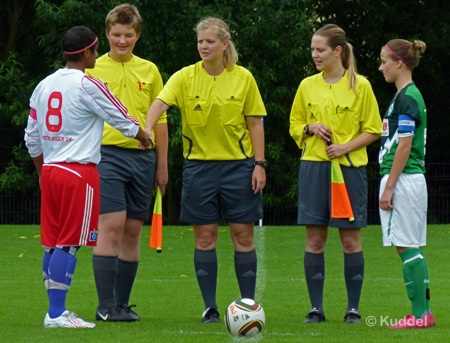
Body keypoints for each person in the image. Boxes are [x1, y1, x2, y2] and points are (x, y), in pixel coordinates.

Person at [24, 26, 151, 328]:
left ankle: (55, 309)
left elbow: (31, 137)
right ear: (86, 53)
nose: (97, 54)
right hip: (78, 171)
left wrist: (44, 171)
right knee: (69, 243)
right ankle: (56, 313)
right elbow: (119, 114)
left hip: (52, 169)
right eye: (95, 49)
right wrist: (141, 135)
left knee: (53, 243)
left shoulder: (43, 85)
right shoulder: (87, 84)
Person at [141, 17, 266, 323]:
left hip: (240, 168)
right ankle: (210, 307)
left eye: (209, 41)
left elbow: (254, 123)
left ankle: (247, 305)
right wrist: (145, 127)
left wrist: (259, 165)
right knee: (205, 238)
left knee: (243, 237)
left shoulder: (244, 77)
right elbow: (158, 104)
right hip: (199, 169)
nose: (203, 46)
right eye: (200, 41)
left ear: (225, 44)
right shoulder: (184, 76)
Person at [289, 24, 382, 324]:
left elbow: (373, 129)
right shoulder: (306, 86)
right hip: (313, 169)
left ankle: (352, 309)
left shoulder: (361, 86)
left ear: (337, 51)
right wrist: (308, 127)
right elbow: (294, 125)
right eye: (313, 49)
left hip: (349, 171)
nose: (314, 54)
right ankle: (316, 309)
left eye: (320, 50)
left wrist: (345, 148)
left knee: (350, 242)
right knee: (315, 241)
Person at [85, 4, 168, 322]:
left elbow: (160, 122)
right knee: (112, 225)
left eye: (129, 35)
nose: (122, 41)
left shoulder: (150, 70)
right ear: (106, 34)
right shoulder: (91, 69)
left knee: (133, 231)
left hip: (143, 159)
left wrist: (162, 164)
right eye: (116, 35)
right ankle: (104, 306)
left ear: (138, 35)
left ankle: (121, 305)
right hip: (105, 156)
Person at [378, 39, 433, 329]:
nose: (380, 67)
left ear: (399, 62)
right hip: (406, 179)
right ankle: (424, 312)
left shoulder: (407, 97)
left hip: (403, 179)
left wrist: (389, 188)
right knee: (408, 245)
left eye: (384, 61)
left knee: (407, 246)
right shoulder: (403, 95)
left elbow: (404, 145)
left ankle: (420, 315)